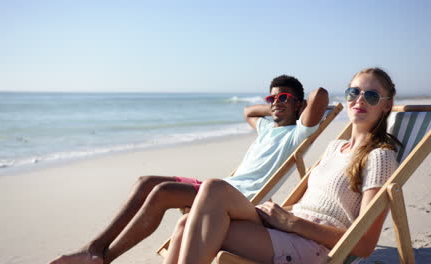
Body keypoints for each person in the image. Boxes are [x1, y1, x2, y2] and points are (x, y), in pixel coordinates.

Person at [49, 75, 329, 264]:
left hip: (237, 200)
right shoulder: (267, 127)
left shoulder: (297, 133)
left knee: (163, 192)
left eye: (284, 99)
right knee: (147, 181)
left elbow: (320, 96)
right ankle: (95, 248)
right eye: (272, 99)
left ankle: (101, 258)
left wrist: (298, 105)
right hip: (219, 185)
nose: (277, 103)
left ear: (298, 105)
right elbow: (247, 112)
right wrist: (273, 108)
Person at [165, 68, 400, 264]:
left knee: (198, 216)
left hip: (311, 245)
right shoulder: (335, 147)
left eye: (370, 96)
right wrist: (284, 216)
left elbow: (365, 244)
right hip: (286, 225)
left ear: (386, 106)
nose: (359, 100)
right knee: (206, 197)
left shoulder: (380, 157)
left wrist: (292, 223)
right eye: (353, 92)